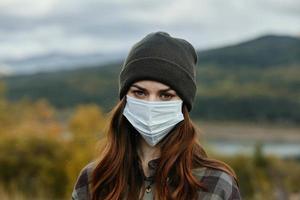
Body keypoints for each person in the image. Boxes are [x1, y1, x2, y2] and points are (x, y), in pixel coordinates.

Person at [72, 31, 241, 200]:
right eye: (140, 93)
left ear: (183, 103)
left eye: (165, 95)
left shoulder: (215, 184)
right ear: (125, 98)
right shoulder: (94, 179)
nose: (151, 104)